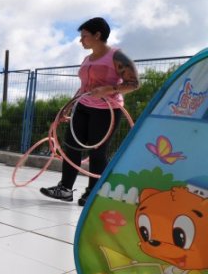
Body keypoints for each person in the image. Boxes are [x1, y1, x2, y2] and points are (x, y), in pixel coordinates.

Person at [40, 17, 139, 206]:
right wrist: (66, 107)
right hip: (83, 106)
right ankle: (65, 189)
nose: (81, 40)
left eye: (84, 36)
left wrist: (108, 90)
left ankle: (92, 193)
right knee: (72, 147)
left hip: (106, 110)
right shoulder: (87, 59)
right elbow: (84, 87)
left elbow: (134, 84)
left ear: (97, 35)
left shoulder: (117, 57)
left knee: (97, 152)